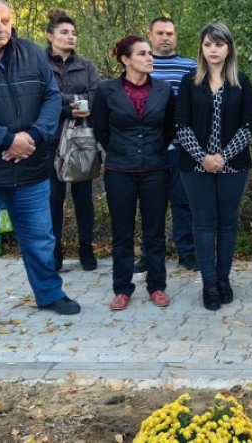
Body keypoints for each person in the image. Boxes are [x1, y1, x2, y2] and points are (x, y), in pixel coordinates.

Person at [0, 0, 81, 332]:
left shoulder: (31, 53)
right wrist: (6, 140)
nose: (1, 27)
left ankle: (49, 294)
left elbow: (51, 96)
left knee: (40, 240)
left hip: (31, 169)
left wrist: (32, 135)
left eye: (6, 20)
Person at [177, 23, 252, 310]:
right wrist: (203, 157)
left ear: (229, 48)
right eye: (208, 44)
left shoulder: (241, 82)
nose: (213, 49)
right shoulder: (189, 82)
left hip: (233, 166)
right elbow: (181, 124)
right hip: (195, 165)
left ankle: (224, 280)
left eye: (219, 44)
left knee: (227, 223)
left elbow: (249, 125)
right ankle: (209, 284)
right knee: (203, 223)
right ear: (201, 47)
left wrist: (223, 156)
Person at [93, 35, 176, 311]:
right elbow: (101, 129)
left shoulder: (164, 90)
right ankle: (122, 288)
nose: (149, 57)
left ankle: (157, 286)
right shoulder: (106, 90)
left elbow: (169, 128)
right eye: (142, 54)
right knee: (122, 232)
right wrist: (121, 151)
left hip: (156, 168)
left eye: (150, 53)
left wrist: (152, 151)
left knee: (155, 232)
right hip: (119, 170)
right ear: (125, 59)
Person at [133, 17, 199, 272]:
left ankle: (187, 252)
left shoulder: (190, 66)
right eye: (160, 33)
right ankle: (150, 255)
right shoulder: (141, 65)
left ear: (176, 36)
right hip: (148, 148)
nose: (165, 38)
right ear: (150, 35)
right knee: (151, 204)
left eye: (170, 33)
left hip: (182, 147)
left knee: (183, 202)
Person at [44, 9, 100, 272]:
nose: (71, 37)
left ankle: (86, 247)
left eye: (74, 33)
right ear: (50, 36)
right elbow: (40, 96)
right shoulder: (39, 64)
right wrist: (69, 106)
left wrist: (62, 99)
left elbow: (95, 96)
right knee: (53, 198)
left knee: (83, 197)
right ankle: (54, 251)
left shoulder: (86, 66)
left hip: (81, 140)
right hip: (49, 140)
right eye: (64, 32)